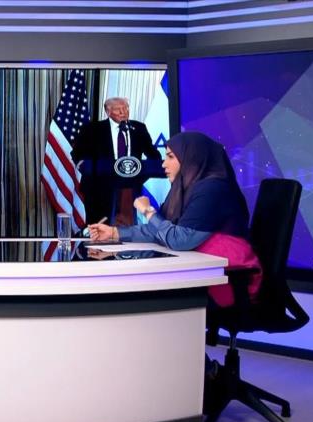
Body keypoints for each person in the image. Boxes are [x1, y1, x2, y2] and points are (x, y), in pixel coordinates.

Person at [88, 131, 262, 308]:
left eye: (170, 157)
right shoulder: (184, 187)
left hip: (225, 280)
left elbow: (180, 239)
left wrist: (148, 211)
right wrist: (114, 233)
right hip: (197, 273)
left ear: (192, 158)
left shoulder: (213, 188)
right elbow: (160, 230)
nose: (164, 164)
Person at [71, 96, 162, 226]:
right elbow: (77, 153)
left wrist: (147, 170)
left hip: (129, 189)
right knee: (99, 229)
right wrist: (84, 166)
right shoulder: (92, 129)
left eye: (126, 108)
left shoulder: (139, 128)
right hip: (98, 189)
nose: (123, 112)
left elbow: (153, 155)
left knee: (126, 231)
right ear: (108, 112)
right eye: (118, 109)